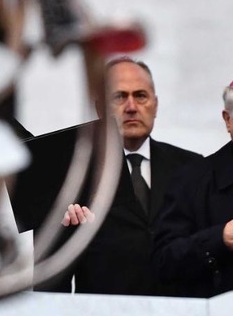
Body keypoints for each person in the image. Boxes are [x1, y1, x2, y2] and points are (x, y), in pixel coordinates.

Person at [13, 57, 201, 295]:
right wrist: (64, 232)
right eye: (119, 97)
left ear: (156, 104)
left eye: (141, 95)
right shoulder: (75, 175)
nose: (131, 106)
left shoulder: (192, 168)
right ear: (100, 107)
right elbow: (49, 284)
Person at [152, 66, 233, 297]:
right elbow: (164, 262)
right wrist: (220, 239)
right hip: (220, 313)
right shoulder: (192, 179)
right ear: (228, 120)